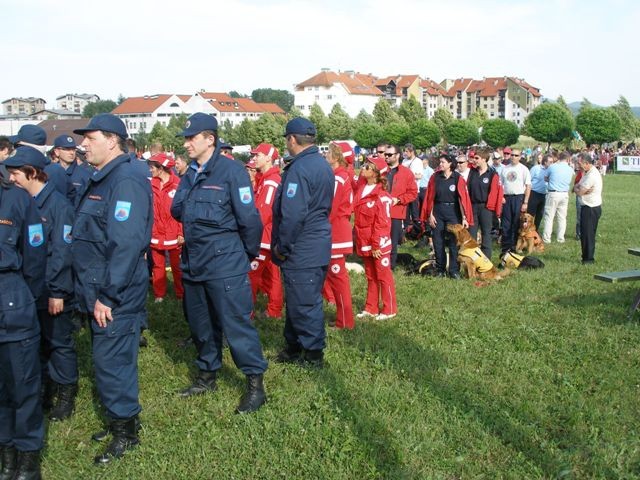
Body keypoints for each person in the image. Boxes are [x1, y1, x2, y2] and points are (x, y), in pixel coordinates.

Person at [171, 113, 267, 413]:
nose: (186, 144)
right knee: (201, 324)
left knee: (236, 323)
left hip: (224, 261)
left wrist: (245, 255)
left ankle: (254, 384)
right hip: (194, 260)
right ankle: (207, 374)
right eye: (185, 139)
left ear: (209, 139)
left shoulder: (231, 172)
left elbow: (250, 220)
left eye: (191, 138)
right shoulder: (190, 173)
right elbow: (177, 210)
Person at [72, 113, 153, 464]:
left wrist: (109, 295)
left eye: (90, 138)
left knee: (112, 361)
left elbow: (126, 244)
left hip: (113, 290)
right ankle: (120, 419)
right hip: (98, 284)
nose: (82, 144)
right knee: (107, 359)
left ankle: (126, 433)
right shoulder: (106, 177)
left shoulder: (126, 181)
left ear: (113, 140)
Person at [6, 146, 78, 426]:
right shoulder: (21, 203)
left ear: (32, 173)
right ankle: (45, 389)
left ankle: (66, 392)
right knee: (37, 344)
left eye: (15, 174)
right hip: (28, 290)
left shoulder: (58, 206)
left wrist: (58, 291)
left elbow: (62, 251)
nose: (11, 180)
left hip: (52, 289)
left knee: (59, 342)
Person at [0, 147, 47, 480]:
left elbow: (34, 255)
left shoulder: (16, 200)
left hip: (11, 299)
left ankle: (28, 456)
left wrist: (22, 296)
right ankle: (6, 452)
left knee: (23, 382)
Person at [272, 118, 334, 368]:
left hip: (302, 246)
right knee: (299, 299)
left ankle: (313, 353)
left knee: (305, 302)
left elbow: (293, 214)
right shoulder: (320, 163)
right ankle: (294, 345)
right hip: (316, 242)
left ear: (292, 140)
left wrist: (283, 247)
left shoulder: (299, 168)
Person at [354, 156, 396, 320]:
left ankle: (389, 308)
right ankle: (370, 307)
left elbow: (382, 223)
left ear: (376, 173)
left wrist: (376, 245)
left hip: (378, 242)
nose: (363, 168)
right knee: (370, 275)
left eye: (367, 167)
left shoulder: (382, 196)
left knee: (383, 276)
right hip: (364, 240)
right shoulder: (362, 189)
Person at [421, 153, 473, 278]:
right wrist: (430, 215)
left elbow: (462, 199)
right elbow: (430, 197)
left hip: (453, 212)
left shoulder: (457, 178)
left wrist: (464, 217)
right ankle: (440, 269)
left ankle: (454, 271)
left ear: (450, 164)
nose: (440, 164)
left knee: (453, 243)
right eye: (440, 162)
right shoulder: (435, 177)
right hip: (438, 211)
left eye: (443, 162)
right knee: (438, 241)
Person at [248, 143, 283, 320]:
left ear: (269, 158)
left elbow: (264, 212)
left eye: (258, 155)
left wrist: (249, 232)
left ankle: (247, 313)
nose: (254, 158)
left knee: (251, 274)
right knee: (273, 273)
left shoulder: (270, 182)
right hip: (269, 236)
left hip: (263, 237)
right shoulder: (267, 179)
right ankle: (274, 309)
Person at [323, 142, 354, 329]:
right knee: (335, 277)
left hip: (335, 233)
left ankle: (345, 321)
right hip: (335, 231)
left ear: (337, 157)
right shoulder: (339, 176)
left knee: (338, 278)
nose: (326, 154)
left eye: (329, 151)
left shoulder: (338, 179)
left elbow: (330, 209)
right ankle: (343, 317)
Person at [148, 152, 184, 303]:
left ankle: (181, 294)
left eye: (152, 167)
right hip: (156, 232)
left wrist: (182, 232)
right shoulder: (150, 184)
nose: (150, 170)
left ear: (161, 168)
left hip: (173, 234)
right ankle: (159, 295)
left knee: (177, 267)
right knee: (158, 266)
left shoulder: (178, 184)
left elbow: (183, 210)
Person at [9, 124, 68, 197]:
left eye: (17, 146)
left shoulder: (55, 171)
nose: (15, 149)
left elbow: (58, 204)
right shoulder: (18, 169)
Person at [385, 144, 418, 269]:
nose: (386, 157)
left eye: (389, 155)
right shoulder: (382, 172)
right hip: (380, 212)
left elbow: (413, 193)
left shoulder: (406, 173)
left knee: (392, 241)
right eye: (385, 154)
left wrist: (398, 200)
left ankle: (390, 266)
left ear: (397, 155)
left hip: (396, 212)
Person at [466, 149, 503, 260]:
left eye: (477, 158)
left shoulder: (492, 174)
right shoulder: (472, 172)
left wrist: (494, 210)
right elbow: (468, 188)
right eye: (474, 158)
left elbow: (496, 193)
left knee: (486, 234)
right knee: (471, 234)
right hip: (473, 206)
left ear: (484, 159)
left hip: (486, 207)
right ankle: (471, 259)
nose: (474, 160)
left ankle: (486, 260)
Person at [499, 148, 531, 255]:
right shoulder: (505, 169)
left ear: (520, 157)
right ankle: (506, 246)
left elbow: (528, 186)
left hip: (518, 197)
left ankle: (514, 246)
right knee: (506, 223)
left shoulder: (524, 169)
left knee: (516, 222)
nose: (513, 157)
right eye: (512, 155)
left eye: (516, 155)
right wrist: (501, 196)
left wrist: (525, 202)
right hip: (506, 198)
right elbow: (500, 184)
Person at [574, 153, 603, 264]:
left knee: (587, 234)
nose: (578, 165)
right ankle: (586, 256)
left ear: (586, 163)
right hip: (588, 207)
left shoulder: (591, 175)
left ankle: (588, 259)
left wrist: (578, 190)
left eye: (580, 163)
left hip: (590, 208)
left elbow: (579, 191)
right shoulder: (586, 173)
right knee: (586, 233)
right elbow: (576, 186)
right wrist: (577, 189)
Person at [541, 151, 574, 244]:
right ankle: (560, 238)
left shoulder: (552, 167)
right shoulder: (570, 169)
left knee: (549, 217)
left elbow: (546, 178)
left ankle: (547, 238)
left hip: (553, 193)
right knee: (562, 217)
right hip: (564, 194)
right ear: (567, 159)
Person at [51, 134, 92, 205]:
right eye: (66, 149)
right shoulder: (50, 173)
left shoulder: (85, 175)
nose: (71, 153)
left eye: (73, 149)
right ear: (57, 152)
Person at [401, 143, 423, 237]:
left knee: (414, 212)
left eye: (406, 151)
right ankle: (406, 232)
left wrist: (408, 175)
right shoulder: (404, 161)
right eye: (404, 151)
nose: (405, 153)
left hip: (414, 191)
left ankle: (416, 232)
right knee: (405, 213)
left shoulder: (418, 161)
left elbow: (419, 176)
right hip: (404, 191)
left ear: (412, 151)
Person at [527, 153, 550, 231]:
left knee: (540, 214)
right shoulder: (535, 168)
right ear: (545, 162)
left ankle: (535, 230)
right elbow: (528, 180)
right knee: (531, 214)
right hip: (534, 193)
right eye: (550, 162)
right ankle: (528, 230)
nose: (551, 163)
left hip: (544, 194)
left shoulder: (550, 170)